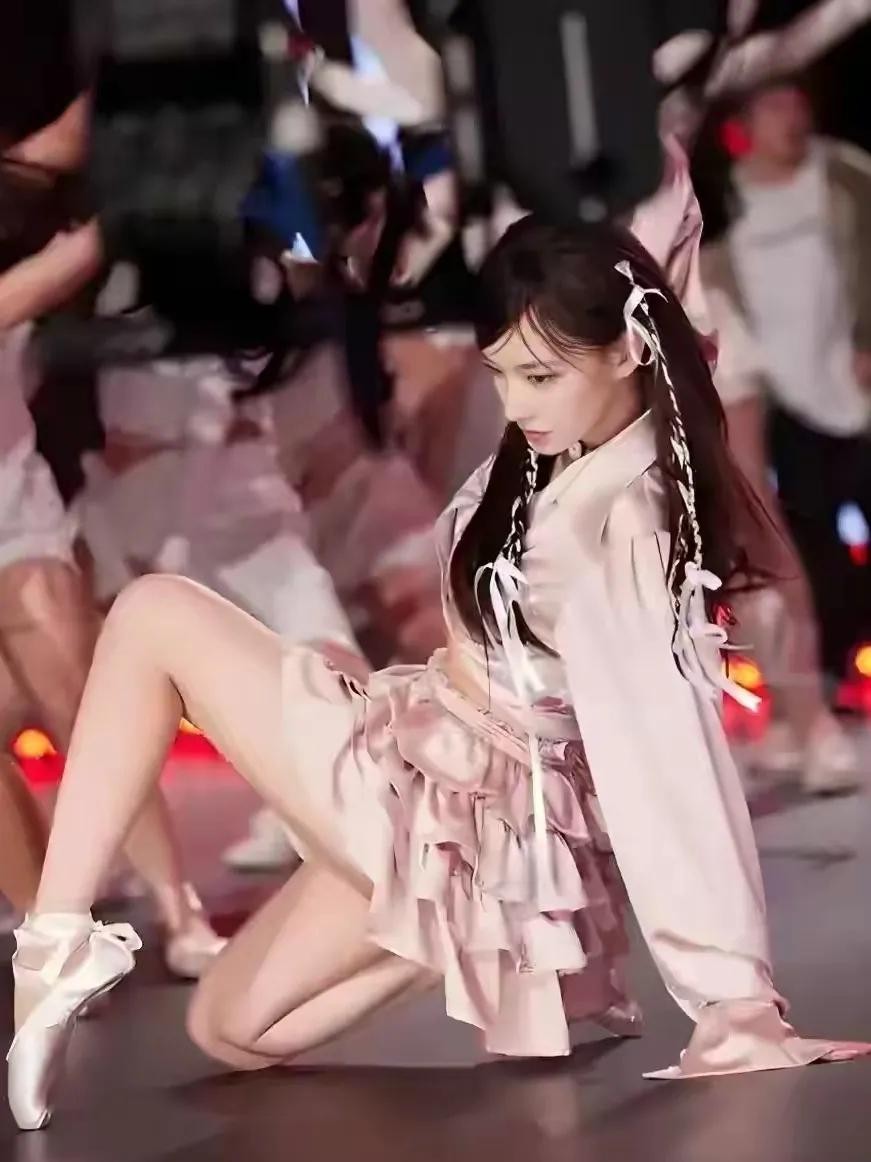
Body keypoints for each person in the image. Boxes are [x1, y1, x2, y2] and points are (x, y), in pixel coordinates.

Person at [9, 215, 871, 1132]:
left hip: (453, 788)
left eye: (539, 376)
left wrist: (731, 996)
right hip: (450, 801)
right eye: (501, 373)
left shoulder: (622, 522)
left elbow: (668, 759)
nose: (516, 402)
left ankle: (50, 947)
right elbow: (657, 288)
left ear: (627, 352)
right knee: (227, 1028)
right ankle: (447, 920)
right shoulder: (579, 442)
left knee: (151, 614)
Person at [703, 79, 871, 701]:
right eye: (774, 106)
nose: (792, 117)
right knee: (812, 532)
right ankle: (841, 669)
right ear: (744, 122)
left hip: (854, 376)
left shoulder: (845, 175)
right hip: (781, 394)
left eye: (798, 103)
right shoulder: (723, 200)